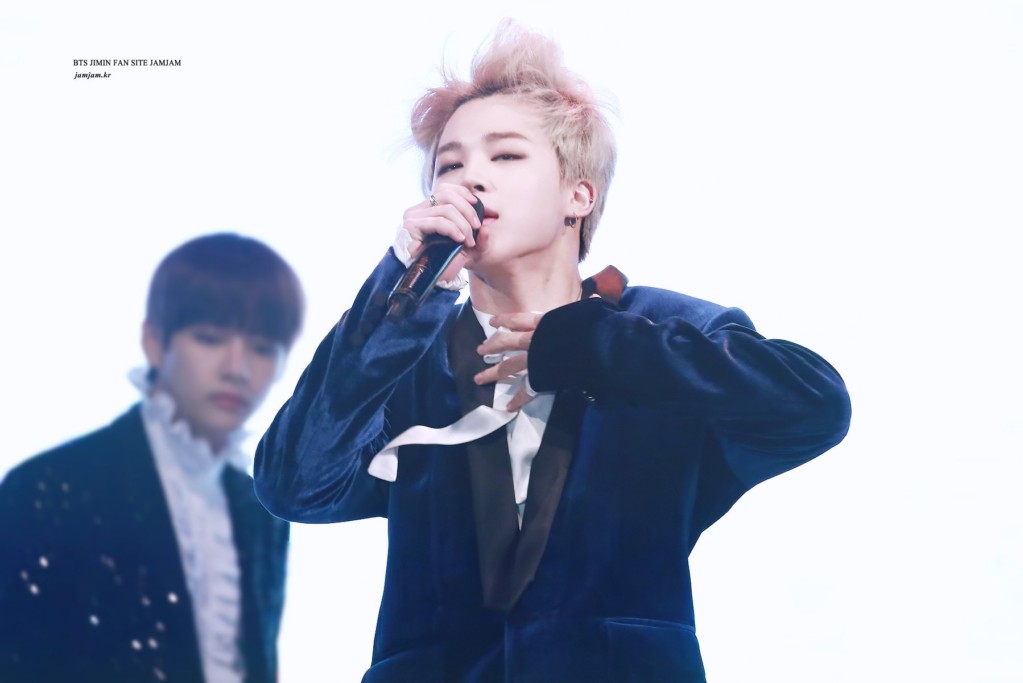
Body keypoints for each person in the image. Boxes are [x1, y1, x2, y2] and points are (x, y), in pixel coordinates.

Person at [254, 20, 851, 683]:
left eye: (505, 156)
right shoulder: (406, 359)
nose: (470, 179)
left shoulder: (660, 331)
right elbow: (294, 484)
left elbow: (813, 405)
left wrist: (586, 345)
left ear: (578, 194)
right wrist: (400, 294)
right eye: (449, 165)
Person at [0, 233, 304, 683]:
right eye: (210, 338)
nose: (237, 369)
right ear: (154, 342)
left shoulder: (264, 505)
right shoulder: (48, 485)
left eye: (263, 348)